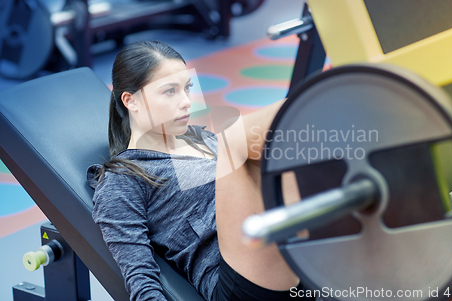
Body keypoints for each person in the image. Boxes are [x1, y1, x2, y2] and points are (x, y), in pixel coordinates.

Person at [87, 40, 313, 301]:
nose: (186, 102)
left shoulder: (203, 139)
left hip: (294, 257)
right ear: (131, 101)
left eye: (187, 88)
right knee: (243, 136)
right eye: (170, 91)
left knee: (281, 146)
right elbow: (140, 278)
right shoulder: (123, 179)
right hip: (235, 283)